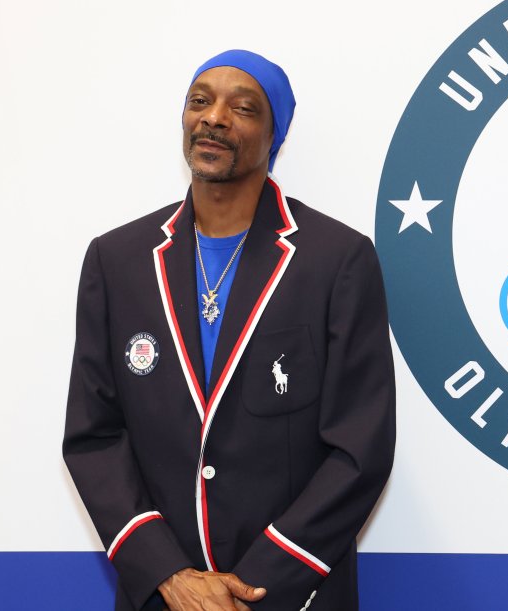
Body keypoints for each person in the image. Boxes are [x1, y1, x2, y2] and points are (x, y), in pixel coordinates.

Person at [63, 50, 396, 610]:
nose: (214, 117)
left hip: (294, 596)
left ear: (276, 137)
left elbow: (359, 450)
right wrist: (170, 575)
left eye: (242, 108)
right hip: (164, 597)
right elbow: (94, 436)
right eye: (199, 101)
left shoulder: (338, 260)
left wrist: (253, 589)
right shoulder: (116, 260)